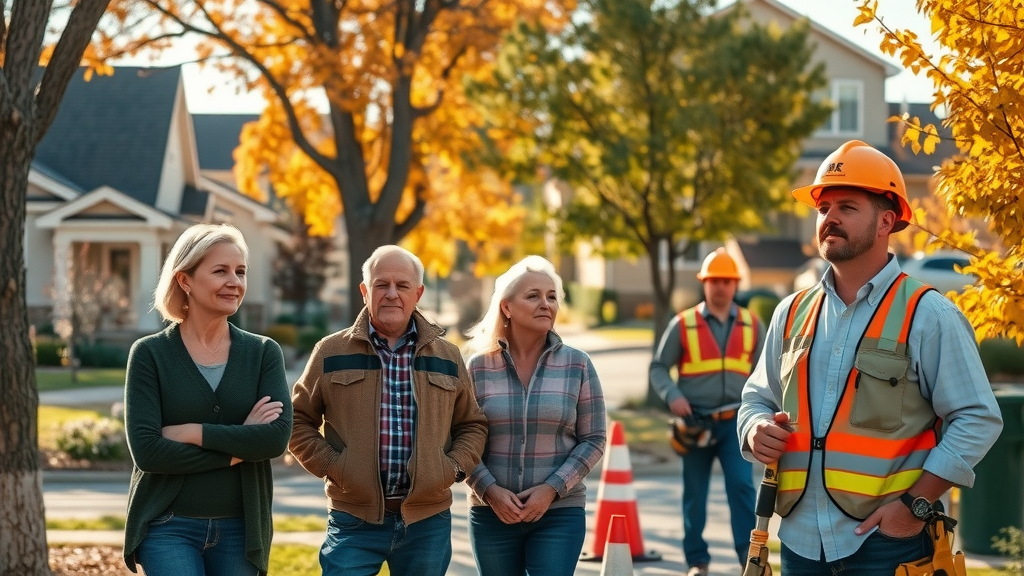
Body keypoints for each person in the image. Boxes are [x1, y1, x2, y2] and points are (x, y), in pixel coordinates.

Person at [738, 140, 1004, 576]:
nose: (830, 218)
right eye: (823, 208)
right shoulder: (791, 313)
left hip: (888, 547)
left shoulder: (928, 315)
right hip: (801, 542)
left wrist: (913, 507)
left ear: (886, 221)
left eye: (847, 206)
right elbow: (756, 398)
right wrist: (753, 429)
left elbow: (977, 418)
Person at [289, 245, 487, 576]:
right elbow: (298, 420)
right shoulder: (330, 351)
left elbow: (472, 425)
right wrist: (336, 467)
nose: (391, 294)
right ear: (365, 291)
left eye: (402, 285)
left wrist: (449, 470)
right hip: (353, 518)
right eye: (381, 284)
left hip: (427, 523)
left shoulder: (447, 356)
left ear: (418, 293)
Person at [123, 223, 292, 576]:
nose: (235, 281)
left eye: (240, 271)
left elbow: (274, 439)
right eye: (221, 271)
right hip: (167, 525)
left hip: (242, 529)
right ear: (185, 280)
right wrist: (238, 448)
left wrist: (192, 432)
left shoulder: (263, 353)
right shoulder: (149, 354)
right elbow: (149, 452)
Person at [463, 255, 606, 576]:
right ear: (507, 307)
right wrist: (489, 490)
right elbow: (459, 439)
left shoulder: (578, 365)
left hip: (559, 513)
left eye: (552, 296)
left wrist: (552, 488)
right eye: (533, 296)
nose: (546, 303)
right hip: (491, 514)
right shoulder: (477, 368)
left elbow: (594, 439)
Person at [649, 247, 765, 576]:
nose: (721, 287)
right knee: (695, 494)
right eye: (714, 280)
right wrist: (672, 395)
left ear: (735, 285)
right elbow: (659, 367)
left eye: (727, 281)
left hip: (736, 424)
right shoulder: (682, 324)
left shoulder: (752, 324)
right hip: (695, 423)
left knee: (743, 489)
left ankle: (749, 561)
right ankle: (697, 562)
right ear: (704, 283)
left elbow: (767, 373)